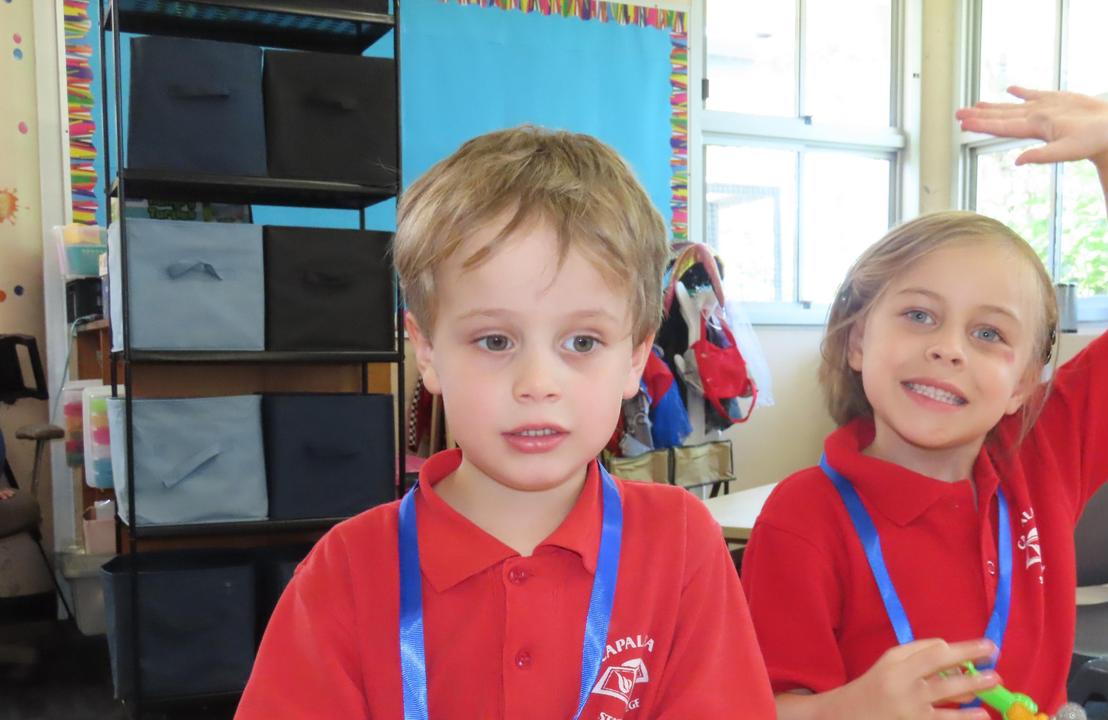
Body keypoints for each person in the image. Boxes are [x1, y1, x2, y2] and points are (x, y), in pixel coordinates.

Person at [236, 126, 775, 719]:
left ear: (634, 358)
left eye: (582, 340)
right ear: (429, 352)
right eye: (495, 340)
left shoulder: (680, 545)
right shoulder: (347, 570)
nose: (537, 382)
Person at [741, 87, 1108, 719]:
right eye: (919, 314)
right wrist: (848, 709)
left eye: (989, 334)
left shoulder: (1040, 458)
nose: (948, 349)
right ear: (857, 340)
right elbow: (759, 708)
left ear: (1022, 386)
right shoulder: (804, 519)